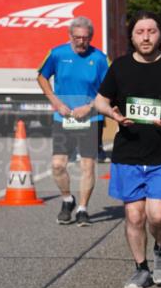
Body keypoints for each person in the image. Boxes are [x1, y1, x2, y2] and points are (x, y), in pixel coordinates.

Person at [94, 11, 161, 288]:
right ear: (131, 36)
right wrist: (113, 115)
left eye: (151, 31)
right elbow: (100, 101)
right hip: (128, 152)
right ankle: (141, 268)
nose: (145, 37)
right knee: (134, 215)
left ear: (160, 36)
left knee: (159, 214)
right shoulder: (119, 67)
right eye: (140, 31)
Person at [36, 16, 109, 226]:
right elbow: (42, 77)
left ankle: (83, 209)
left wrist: (90, 106)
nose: (81, 42)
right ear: (70, 36)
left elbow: (108, 88)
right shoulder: (57, 53)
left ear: (91, 38)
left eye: (85, 38)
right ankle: (68, 200)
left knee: (87, 165)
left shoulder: (100, 58)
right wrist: (56, 103)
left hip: (91, 117)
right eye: (77, 37)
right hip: (63, 117)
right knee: (58, 165)